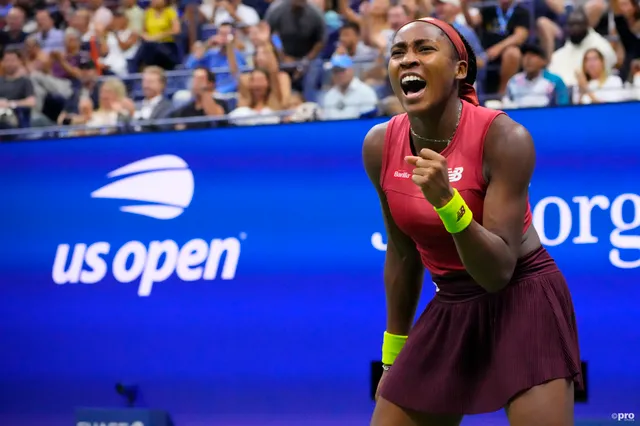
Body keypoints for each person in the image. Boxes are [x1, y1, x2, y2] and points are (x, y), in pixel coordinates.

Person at [362, 17, 582, 426]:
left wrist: (448, 203)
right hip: (452, 301)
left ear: (460, 69)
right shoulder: (379, 145)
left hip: (522, 295)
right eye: (398, 53)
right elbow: (403, 255)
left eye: (424, 50)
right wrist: (392, 359)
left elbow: (497, 270)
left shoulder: (505, 138)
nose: (408, 60)